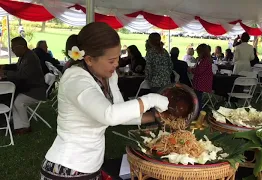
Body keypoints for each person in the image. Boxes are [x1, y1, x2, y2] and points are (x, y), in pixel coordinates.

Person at [41, 22, 169, 179]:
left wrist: (154, 116)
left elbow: (119, 112)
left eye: (118, 58)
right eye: (111, 60)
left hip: (92, 165)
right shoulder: (75, 79)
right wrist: (151, 99)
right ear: (89, 59)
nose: (117, 64)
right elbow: (109, 115)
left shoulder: (109, 76)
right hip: (67, 167)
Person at [0, 37, 46, 134]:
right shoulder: (24, 56)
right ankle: (18, 126)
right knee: (13, 98)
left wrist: (5, 73)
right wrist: (4, 66)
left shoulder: (31, 58)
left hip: (35, 91)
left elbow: (22, 75)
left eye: (13, 48)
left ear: (22, 47)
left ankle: (25, 127)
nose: (12, 50)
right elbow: (17, 67)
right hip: (28, 88)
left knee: (18, 101)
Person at [189, 44, 213, 111]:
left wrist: (191, 70)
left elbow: (199, 71)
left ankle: (198, 113)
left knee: (198, 99)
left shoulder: (205, 60)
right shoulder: (203, 60)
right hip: (199, 83)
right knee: (197, 97)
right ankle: (197, 111)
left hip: (202, 83)